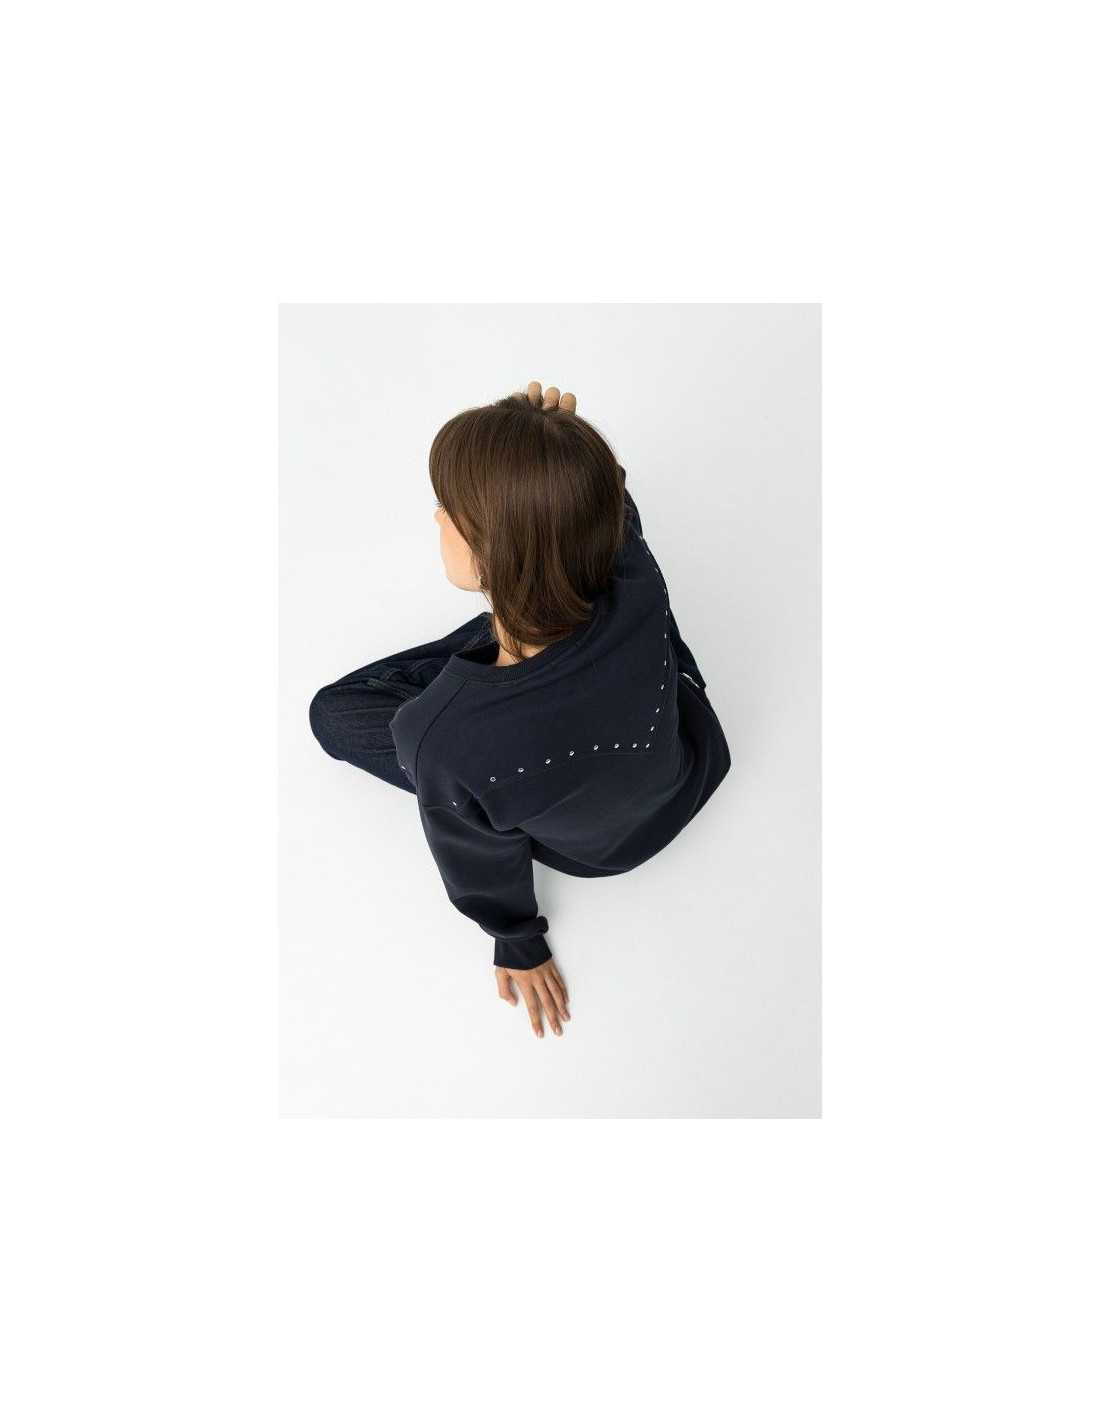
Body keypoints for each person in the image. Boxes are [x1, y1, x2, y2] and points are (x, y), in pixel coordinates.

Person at [309, 381, 732, 1039]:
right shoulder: (633, 575)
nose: (437, 517)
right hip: (692, 768)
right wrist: (562, 460)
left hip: (594, 851)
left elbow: (474, 854)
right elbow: (614, 510)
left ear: (490, 553)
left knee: (332, 713)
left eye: (448, 510)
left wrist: (518, 939)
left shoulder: (443, 738)